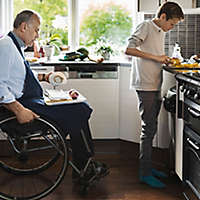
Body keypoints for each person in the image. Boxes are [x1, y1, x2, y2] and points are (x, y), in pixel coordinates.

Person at [0, 10, 109, 183]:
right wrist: (19, 110)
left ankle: (85, 164)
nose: (37, 35)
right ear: (23, 27)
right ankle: (85, 165)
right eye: (36, 30)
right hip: (23, 106)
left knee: (76, 105)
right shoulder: (5, 46)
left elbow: (17, 77)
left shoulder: (15, 46)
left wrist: (45, 77)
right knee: (80, 109)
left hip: (30, 100)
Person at [125, 2, 184, 188]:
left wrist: (164, 58)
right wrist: (158, 58)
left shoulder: (160, 31)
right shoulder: (146, 26)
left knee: (151, 127)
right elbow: (128, 49)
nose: (171, 28)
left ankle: (148, 169)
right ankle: (144, 173)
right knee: (148, 128)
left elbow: (151, 52)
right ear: (163, 16)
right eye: (172, 24)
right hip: (145, 84)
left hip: (154, 83)